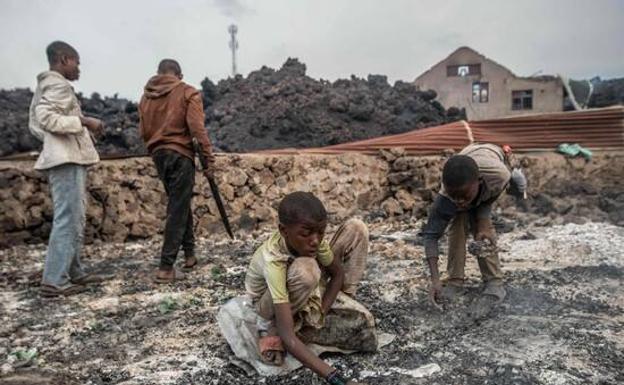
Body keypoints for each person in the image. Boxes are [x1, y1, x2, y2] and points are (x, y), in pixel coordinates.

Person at [244, 192, 369, 385]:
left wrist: (321, 312)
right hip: (266, 304)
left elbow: (338, 274)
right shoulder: (274, 261)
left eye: (321, 232)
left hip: (302, 281)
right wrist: (338, 380)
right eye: (306, 233)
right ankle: (277, 325)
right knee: (307, 270)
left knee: (356, 228)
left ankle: (327, 309)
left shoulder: (313, 242)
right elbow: (288, 339)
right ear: (284, 231)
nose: (315, 240)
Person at [29, 41, 105, 298]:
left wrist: (54, 142)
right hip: (66, 160)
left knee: (74, 216)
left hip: (64, 156)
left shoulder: (45, 85)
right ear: (63, 59)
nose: (79, 68)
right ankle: (54, 280)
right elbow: (45, 119)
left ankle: (73, 271)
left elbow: (36, 126)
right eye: (76, 62)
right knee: (68, 218)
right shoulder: (57, 84)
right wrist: (84, 122)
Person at [138, 59, 215, 283]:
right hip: (180, 154)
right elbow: (197, 129)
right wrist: (208, 160)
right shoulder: (187, 92)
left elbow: (142, 131)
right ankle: (165, 267)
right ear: (179, 74)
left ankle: (190, 255)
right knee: (178, 207)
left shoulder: (145, 98)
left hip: (158, 154)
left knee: (180, 202)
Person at [422, 143, 522, 308]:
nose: (459, 201)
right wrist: (435, 281)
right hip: (468, 156)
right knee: (457, 221)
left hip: (491, 156)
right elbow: (431, 236)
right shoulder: (447, 195)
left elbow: (492, 194)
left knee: (483, 230)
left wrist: (483, 220)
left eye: (463, 195)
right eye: (454, 196)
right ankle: (455, 281)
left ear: (479, 182)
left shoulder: (499, 175)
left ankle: (494, 282)